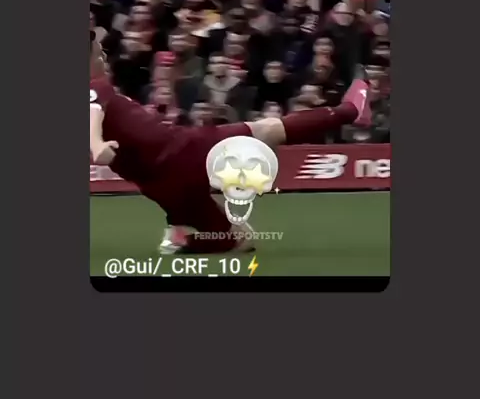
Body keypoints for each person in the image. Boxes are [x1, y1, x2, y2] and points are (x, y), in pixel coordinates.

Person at [90, 29, 371, 255]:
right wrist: (96, 145)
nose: (102, 54)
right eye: (95, 51)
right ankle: (350, 111)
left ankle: (180, 236)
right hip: (181, 152)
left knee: (238, 241)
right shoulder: (94, 87)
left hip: (164, 187)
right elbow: (93, 113)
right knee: (267, 130)